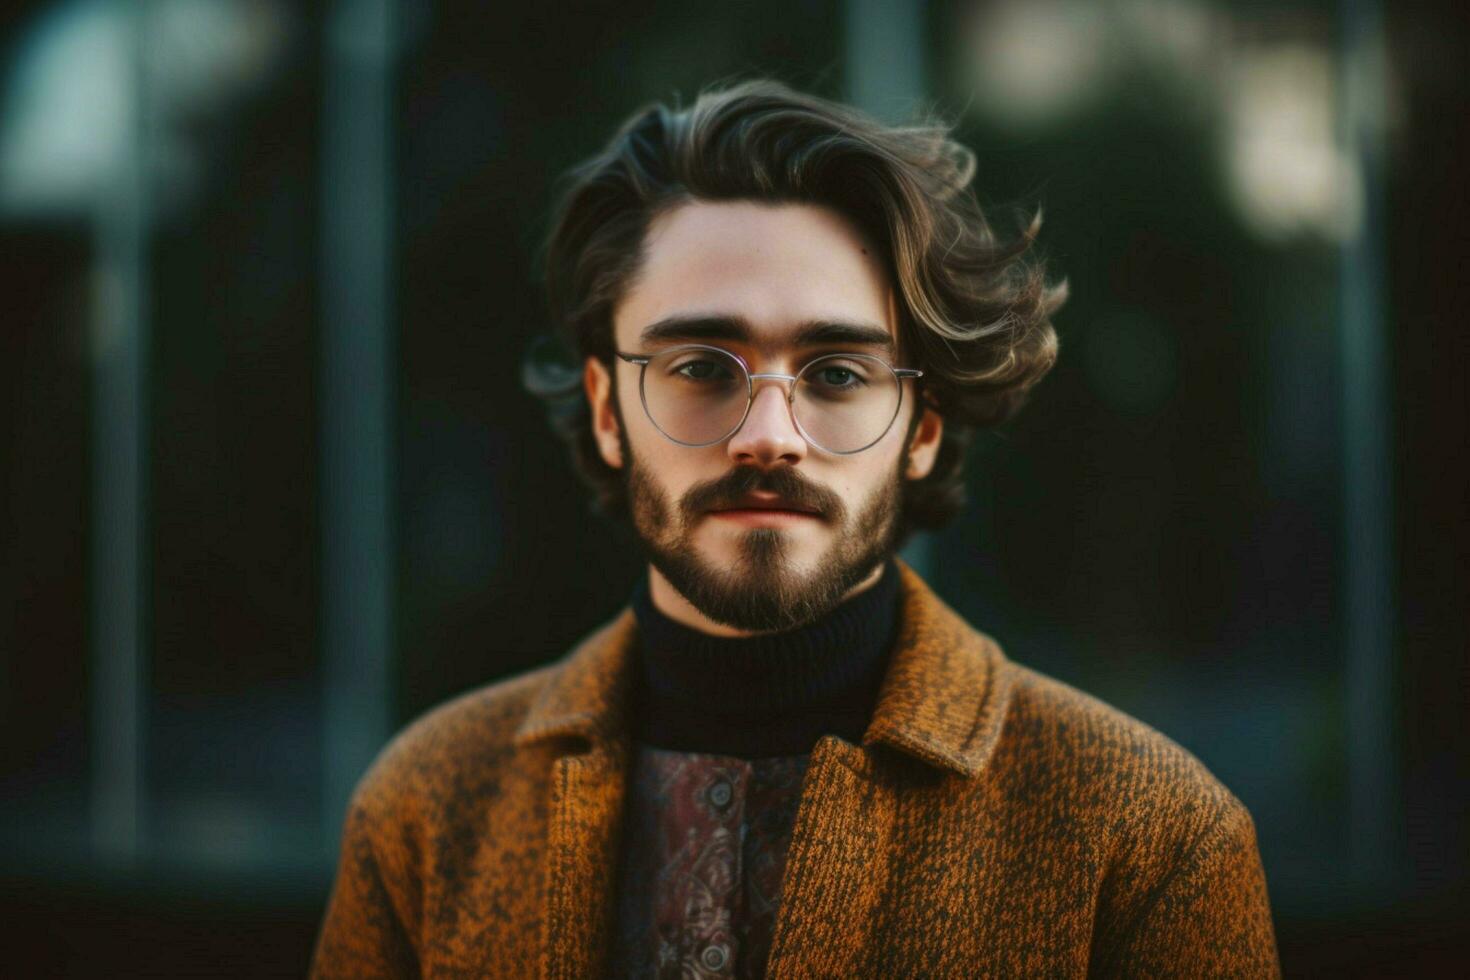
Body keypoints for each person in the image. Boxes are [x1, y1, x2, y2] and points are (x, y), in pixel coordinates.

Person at [310, 80, 1280, 978]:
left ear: (923, 426)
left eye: (837, 373)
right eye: (699, 366)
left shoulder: (1153, 842)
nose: (768, 435)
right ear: (606, 409)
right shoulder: (427, 811)